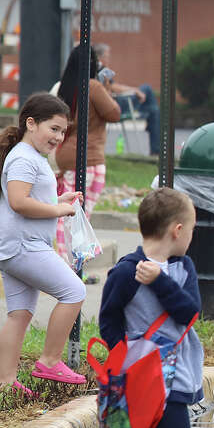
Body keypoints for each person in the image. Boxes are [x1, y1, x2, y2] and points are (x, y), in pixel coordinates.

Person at [98, 187, 206, 428]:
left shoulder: (182, 269)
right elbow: (108, 320)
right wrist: (124, 360)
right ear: (177, 230)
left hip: (174, 379)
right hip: (154, 382)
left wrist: (160, 280)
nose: (192, 236)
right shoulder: (125, 272)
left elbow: (189, 312)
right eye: (192, 228)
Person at [0, 93, 86, 395]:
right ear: (31, 123)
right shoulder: (25, 157)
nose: (59, 137)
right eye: (53, 128)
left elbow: (26, 200)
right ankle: (50, 361)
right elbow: (18, 202)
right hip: (23, 247)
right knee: (74, 290)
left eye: (63, 131)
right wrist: (57, 210)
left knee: (20, 314)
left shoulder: (27, 156)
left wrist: (56, 200)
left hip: (13, 246)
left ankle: (6, 384)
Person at [54, 43, 121, 266]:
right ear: (93, 65)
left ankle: (72, 264)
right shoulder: (93, 86)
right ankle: (71, 265)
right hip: (90, 159)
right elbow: (114, 113)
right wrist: (107, 86)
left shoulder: (67, 87)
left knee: (71, 216)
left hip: (68, 156)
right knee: (78, 217)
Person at [94, 42, 161, 155]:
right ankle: (155, 146)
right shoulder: (100, 70)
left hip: (114, 103)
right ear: (100, 57)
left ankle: (152, 120)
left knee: (153, 109)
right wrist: (135, 90)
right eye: (107, 56)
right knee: (147, 90)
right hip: (115, 106)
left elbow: (112, 87)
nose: (108, 59)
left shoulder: (96, 70)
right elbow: (113, 88)